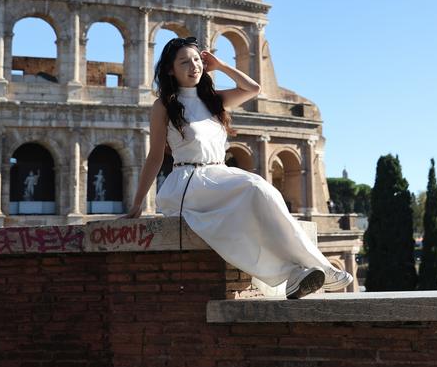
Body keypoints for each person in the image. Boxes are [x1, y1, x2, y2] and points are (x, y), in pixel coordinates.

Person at [125, 36, 353, 299]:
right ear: (169, 69)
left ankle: (296, 273)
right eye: (184, 62)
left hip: (218, 175)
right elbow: (154, 156)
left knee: (266, 197)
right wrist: (139, 202)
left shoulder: (213, 100)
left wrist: (221, 65)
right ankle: (316, 268)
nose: (194, 66)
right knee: (255, 187)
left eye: (197, 60)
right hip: (189, 180)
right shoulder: (163, 106)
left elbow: (253, 88)